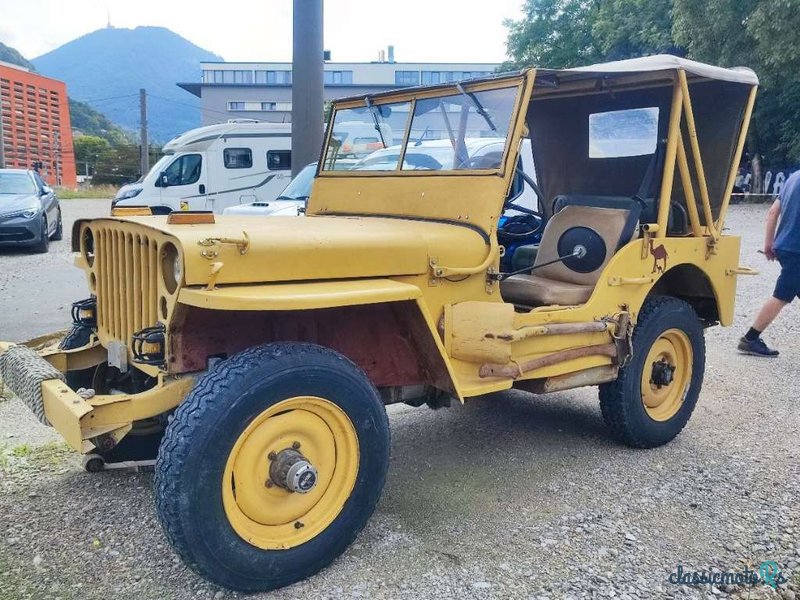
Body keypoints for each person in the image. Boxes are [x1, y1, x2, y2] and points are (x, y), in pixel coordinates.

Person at [738, 170, 800, 356]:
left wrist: (768, 243)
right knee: (782, 295)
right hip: (797, 249)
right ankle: (750, 338)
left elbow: (773, 212)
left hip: (784, 246)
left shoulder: (793, 177)